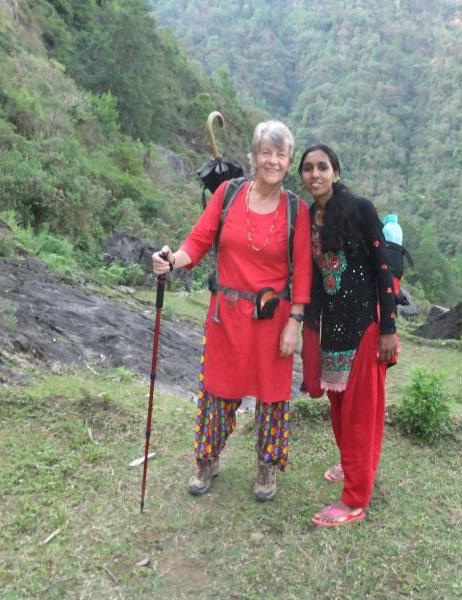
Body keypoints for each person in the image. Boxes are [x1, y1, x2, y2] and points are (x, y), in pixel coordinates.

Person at [152, 121, 311, 501]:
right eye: (266, 153)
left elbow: (303, 270)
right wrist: (173, 260)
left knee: (273, 397)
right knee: (217, 390)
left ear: (289, 162)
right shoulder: (227, 194)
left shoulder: (296, 210)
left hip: (273, 320)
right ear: (254, 157)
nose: (273, 161)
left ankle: (267, 468)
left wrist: (295, 323)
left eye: (281, 154)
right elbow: (199, 240)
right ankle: (207, 461)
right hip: (226, 316)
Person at [298, 144, 398, 526]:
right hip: (333, 330)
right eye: (307, 168)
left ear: (335, 172)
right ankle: (354, 465)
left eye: (322, 167)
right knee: (340, 412)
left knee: (360, 415)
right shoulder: (310, 218)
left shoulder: (360, 210)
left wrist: (388, 328)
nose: (315, 174)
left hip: (365, 329)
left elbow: (383, 270)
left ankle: (355, 499)